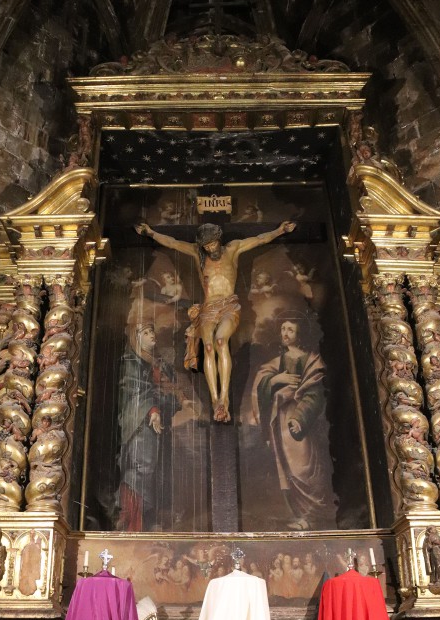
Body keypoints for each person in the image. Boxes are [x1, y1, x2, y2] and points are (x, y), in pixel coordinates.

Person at [136, 220, 296, 422]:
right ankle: (215, 401)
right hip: (209, 308)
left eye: (213, 244)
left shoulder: (233, 249)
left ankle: (225, 398)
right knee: (208, 347)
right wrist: (151, 233)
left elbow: (259, 240)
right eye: (207, 246)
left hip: (229, 305)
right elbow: (173, 243)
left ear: (219, 240)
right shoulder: (197, 253)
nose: (211, 248)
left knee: (221, 341)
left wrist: (279, 230)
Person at [252, 315, 337, 530]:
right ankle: (301, 516)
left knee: (304, 467)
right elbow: (261, 389)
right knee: (287, 467)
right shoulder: (274, 365)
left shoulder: (312, 361)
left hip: (301, 423)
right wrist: (275, 381)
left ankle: (315, 515)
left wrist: (300, 418)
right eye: (283, 329)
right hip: (279, 421)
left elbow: (315, 394)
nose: (285, 333)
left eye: (290, 329)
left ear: (300, 334)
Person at [116, 321, 192, 532]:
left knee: (155, 468)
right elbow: (133, 388)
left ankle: (147, 518)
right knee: (142, 465)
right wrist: (152, 410)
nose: (152, 335)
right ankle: (130, 518)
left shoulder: (158, 363)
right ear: (135, 338)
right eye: (146, 332)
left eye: (152, 331)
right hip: (140, 422)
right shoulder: (131, 360)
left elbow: (171, 386)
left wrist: (181, 399)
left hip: (157, 423)